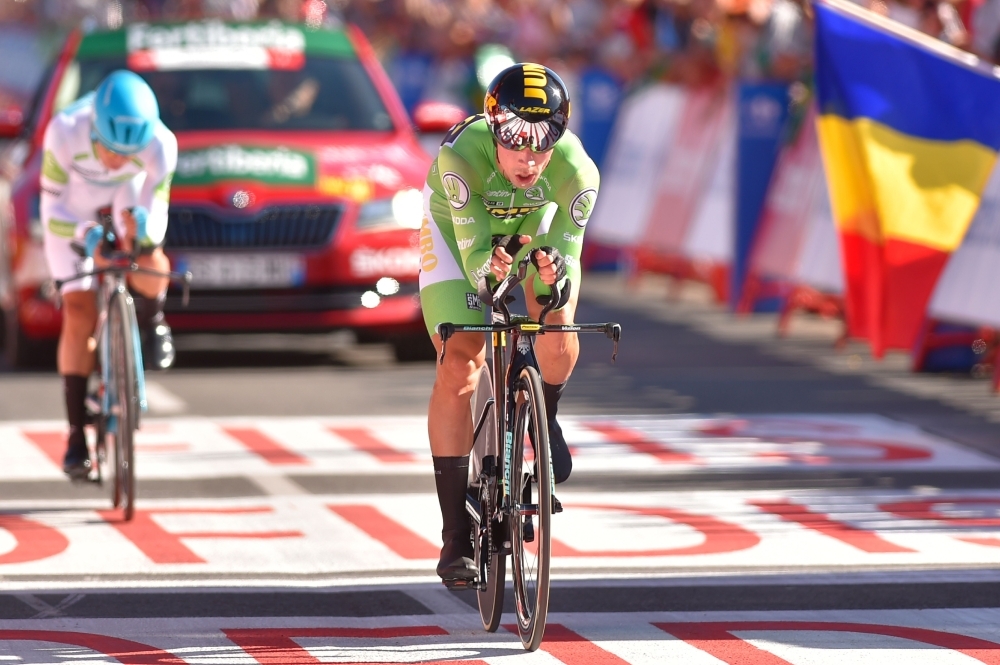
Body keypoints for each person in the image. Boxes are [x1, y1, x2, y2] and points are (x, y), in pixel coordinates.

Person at [418, 62, 600, 583]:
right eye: (517, 140)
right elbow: (476, 257)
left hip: (537, 229)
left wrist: (551, 279)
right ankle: (456, 536)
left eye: (544, 143)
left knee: (557, 326)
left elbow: (565, 256)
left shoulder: (578, 173)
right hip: (460, 239)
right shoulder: (459, 157)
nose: (529, 157)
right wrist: (490, 271)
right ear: (494, 128)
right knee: (461, 359)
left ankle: (547, 412)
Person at [40, 70, 178, 479]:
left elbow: (158, 208)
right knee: (78, 308)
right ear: (93, 130)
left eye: (127, 153)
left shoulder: (162, 144)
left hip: (126, 199)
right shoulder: (64, 132)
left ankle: (153, 320)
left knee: (150, 257)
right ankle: (75, 436)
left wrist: (144, 236)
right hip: (72, 211)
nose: (116, 159)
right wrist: (87, 235)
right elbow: (52, 211)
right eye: (108, 149)